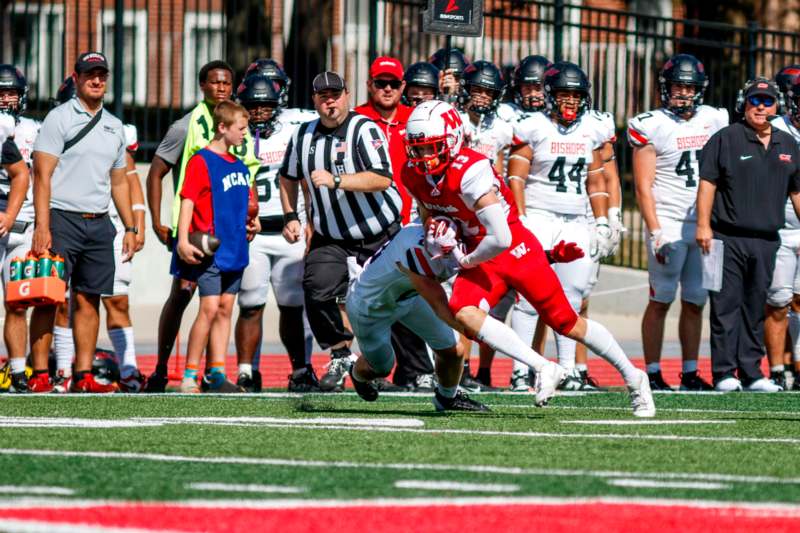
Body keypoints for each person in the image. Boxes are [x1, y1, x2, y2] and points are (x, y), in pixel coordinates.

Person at [402, 99, 655, 416]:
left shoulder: (470, 172)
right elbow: (430, 208)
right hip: (481, 254)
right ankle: (541, 366)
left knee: (567, 323)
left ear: (452, 140)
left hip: (513, 249)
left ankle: (635, 379)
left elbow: (501, 238)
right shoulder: (412, 173)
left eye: (432, 147)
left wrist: (464, 261)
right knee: (463, 313)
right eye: (418, 148)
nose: (424, 157)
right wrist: (435, 228)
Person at [279, 71, 402, 392]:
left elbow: (382, 178)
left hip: (380, 231)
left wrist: (337, 180)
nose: (329, 101)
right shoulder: (302, 135)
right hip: (331, 234)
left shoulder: (365, 128)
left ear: (347, 95)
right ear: (314, 100)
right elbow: (288, 176)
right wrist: (291, 215)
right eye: (323, 96)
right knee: (316, 288)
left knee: (398, 298)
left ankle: (414, 371)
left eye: (335, 94)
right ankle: (340, 353)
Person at [27, 52, 137, 393]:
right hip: (62, 218)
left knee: (89, 299)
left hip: (99, 222)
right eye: (90, 74)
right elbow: (42, 176)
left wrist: (131, 228)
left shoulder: (115, 125)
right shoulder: (59, 118)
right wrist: (42, 227)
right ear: (76, 78)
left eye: (102, 74)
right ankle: (41, 374)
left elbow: (119, 181)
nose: (97, 80)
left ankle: (84, 374)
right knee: (52, 299)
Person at [506, 62, 615, 391]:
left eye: (576, 97)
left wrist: (602, 220)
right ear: (551, 96)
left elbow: (595, 179)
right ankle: (522, 369)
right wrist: (521, 219)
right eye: (564, 96)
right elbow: (516, 176)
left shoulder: (591, 129)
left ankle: (567, 369)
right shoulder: (533, 125)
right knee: (527, 297)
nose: (570, 103)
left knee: (571, 297)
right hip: (538, 216)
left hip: (574, 220)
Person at [629, 54, 727, 391]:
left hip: (702, 222)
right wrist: (655, 230)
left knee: (696, 300)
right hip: (669, 222)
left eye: (688, 87)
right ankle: (653, 372)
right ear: (664, 88)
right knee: (661, 299)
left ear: (699, 90)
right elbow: (643, 187)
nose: (682, 93)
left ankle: (689, 372)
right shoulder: (650, 123)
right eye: (676, 86)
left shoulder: (715, 119)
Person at [697, 77, 800, 392]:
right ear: (744, 103)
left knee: (756, 307)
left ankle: (753, 373)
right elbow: (707, 185)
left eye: (767, 101)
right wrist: (703, 226)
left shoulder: (789, 144)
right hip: (725, 236)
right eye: (755, 100)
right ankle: (725, 373)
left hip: (768, 239)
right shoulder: (726, 138)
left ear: (776, 106)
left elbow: (797, 194)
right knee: (725, 305)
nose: (760, 106)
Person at [143, 60, 240, 392]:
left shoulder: (238, 127)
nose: (221, 88)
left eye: (226, 83)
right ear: (203, 86)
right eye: (215, 83)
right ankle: (160, 368)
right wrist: (156, 220)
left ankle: (212, 373)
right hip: (193, 230)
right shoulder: (186, 126)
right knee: (183, 294)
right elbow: (156, 171)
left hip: (226, 231)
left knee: (221, 302)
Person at [353, 56, 436, 392]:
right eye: (380, 83)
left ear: (403, 87)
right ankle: (368, 365)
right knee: (372, 297)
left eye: (393, 83)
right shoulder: (355, 118)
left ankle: (414, 370)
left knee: (408, 293)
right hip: (366, 224)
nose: (387, 89)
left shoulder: (414, 119)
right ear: (370, 85)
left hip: (408, 221)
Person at [234, 75, 316, 392]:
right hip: (253, 234)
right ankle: (246, 372)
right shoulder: (236, 137)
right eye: (253, 106)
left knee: (293, 306)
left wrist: (309, 221)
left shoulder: (293, 134)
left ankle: (300, 370)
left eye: (265, 106)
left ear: (278, 105)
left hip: (288, 232)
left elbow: (304, 180)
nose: (258, 113)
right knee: (251, 303)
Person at [174, 100, 259, 393]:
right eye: (241, 129)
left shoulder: (239, 165)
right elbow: (188, 202)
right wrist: (182, 240)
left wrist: (253, 223)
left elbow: (242, 206)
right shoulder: (201, 160)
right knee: (208, 309)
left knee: (225, 309)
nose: (245, 135)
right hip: (211, 249)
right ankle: (189, 376)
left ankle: (217, 374)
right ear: (222, 128)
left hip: (236, 248)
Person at [0, 65, 36, 392]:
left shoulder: (35, 131)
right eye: (1, 93)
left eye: (12, 92)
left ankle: (18, 372)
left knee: (17, 303)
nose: (7, 99)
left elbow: (34, 177)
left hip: (22, 226)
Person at [765, 77, 800, 390]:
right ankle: (776, 369)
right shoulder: (775, 129)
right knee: (777, 301)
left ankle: (797, 368)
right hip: (779, 227)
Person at [497, 55, 551, 124]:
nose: (533, 94)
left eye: (538, 88)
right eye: (527, 88)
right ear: (519, 90)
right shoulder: (508, 113)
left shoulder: (557, 119)